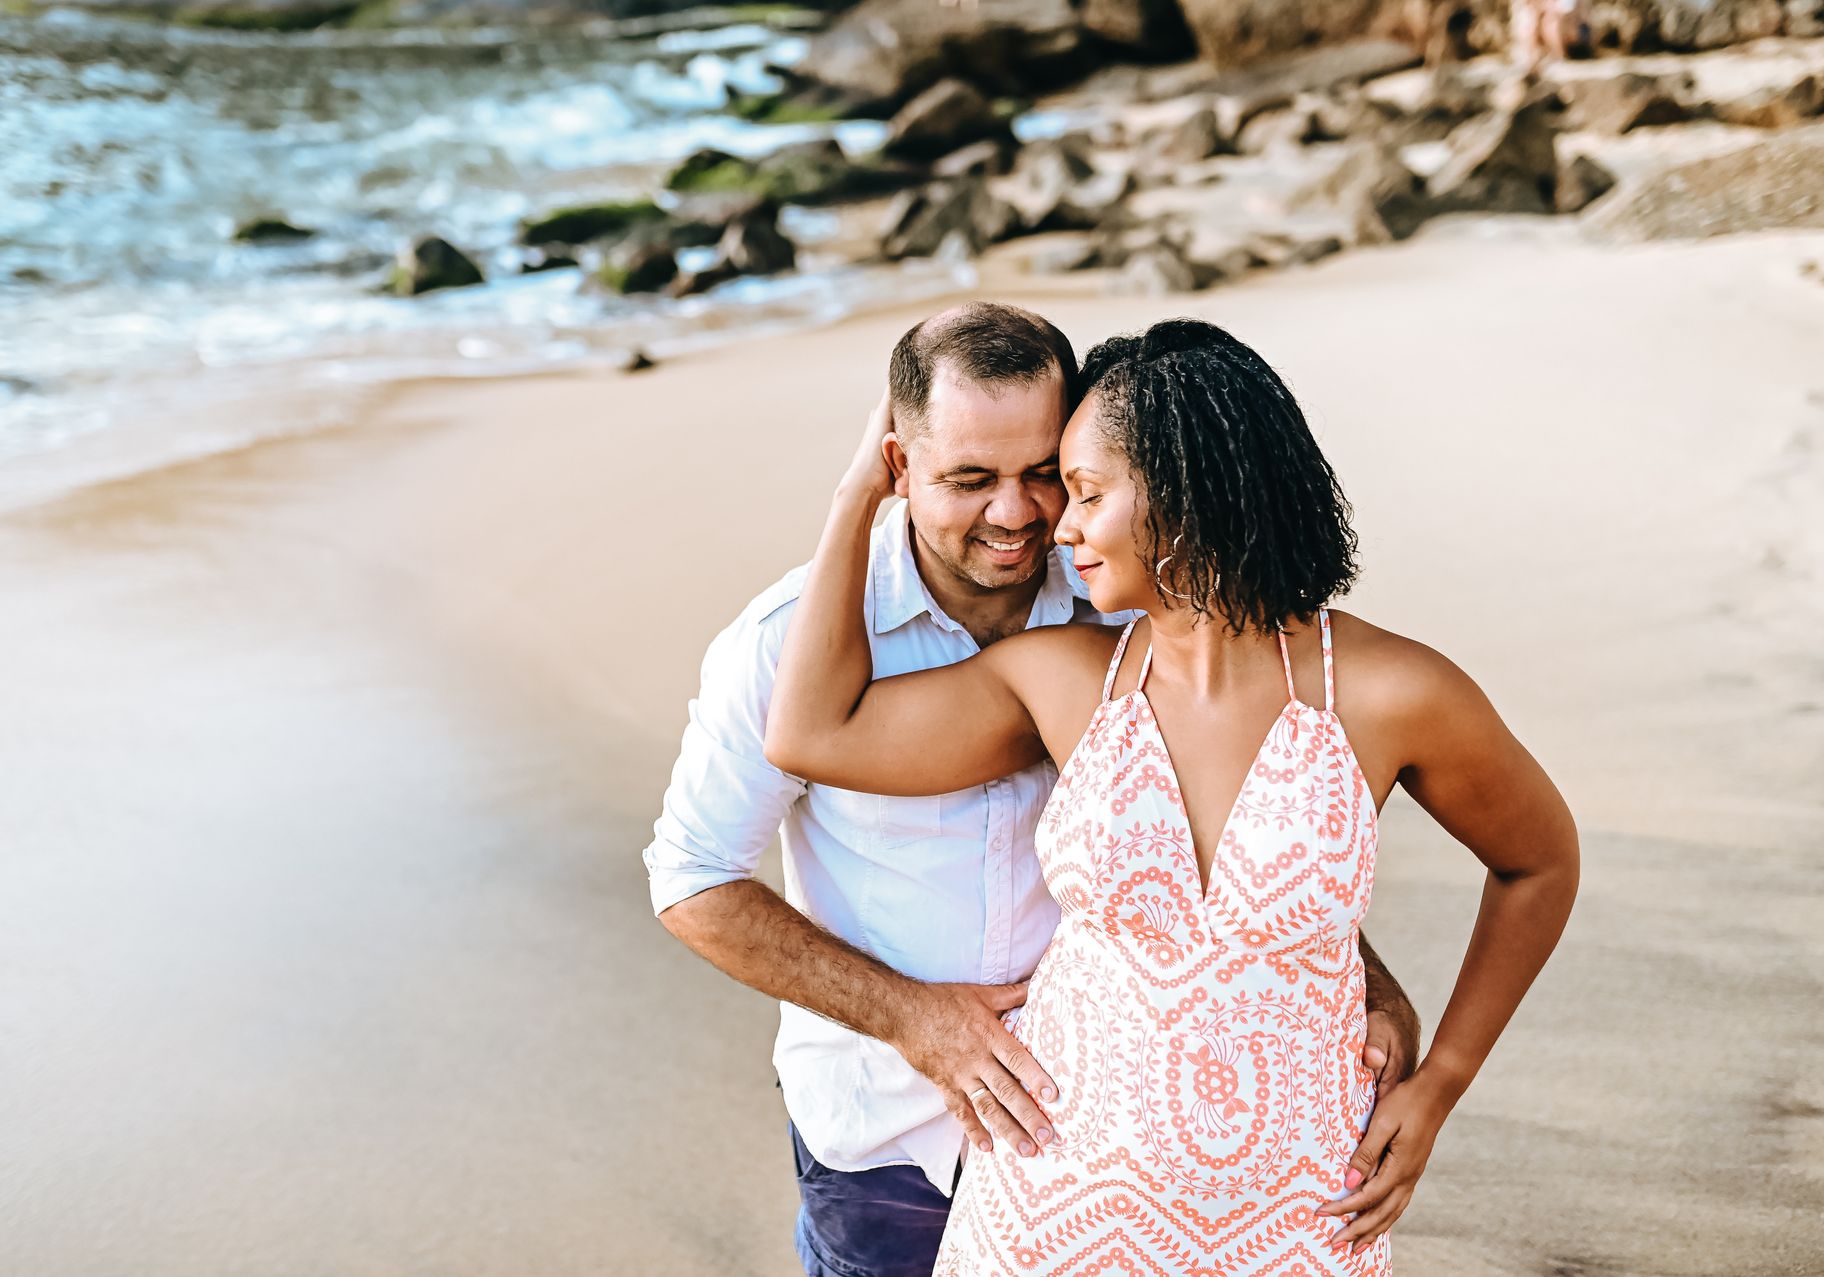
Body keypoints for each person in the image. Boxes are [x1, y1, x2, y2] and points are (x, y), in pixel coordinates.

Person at [764, 318, 1580, 1274]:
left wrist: (1441, 1079)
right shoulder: (1065, 680)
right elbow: (813, 732)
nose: (1054, 525)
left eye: (1084, 492)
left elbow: (1539, 861)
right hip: (1052, 1206)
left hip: (1296, 1211)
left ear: (1183, 497)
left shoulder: (1390, 691)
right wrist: (865, 489)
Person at [644, 304, 1423, 1277]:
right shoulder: (784, 645)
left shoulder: (1125, 599)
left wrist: (1378, 991)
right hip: (889, 1134)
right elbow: (692, 879)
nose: (1015, 512)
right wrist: (913, 1017)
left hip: (1123, 1145)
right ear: (898, 467)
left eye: (1042, 474)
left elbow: (1245, 833)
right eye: (970, 480)